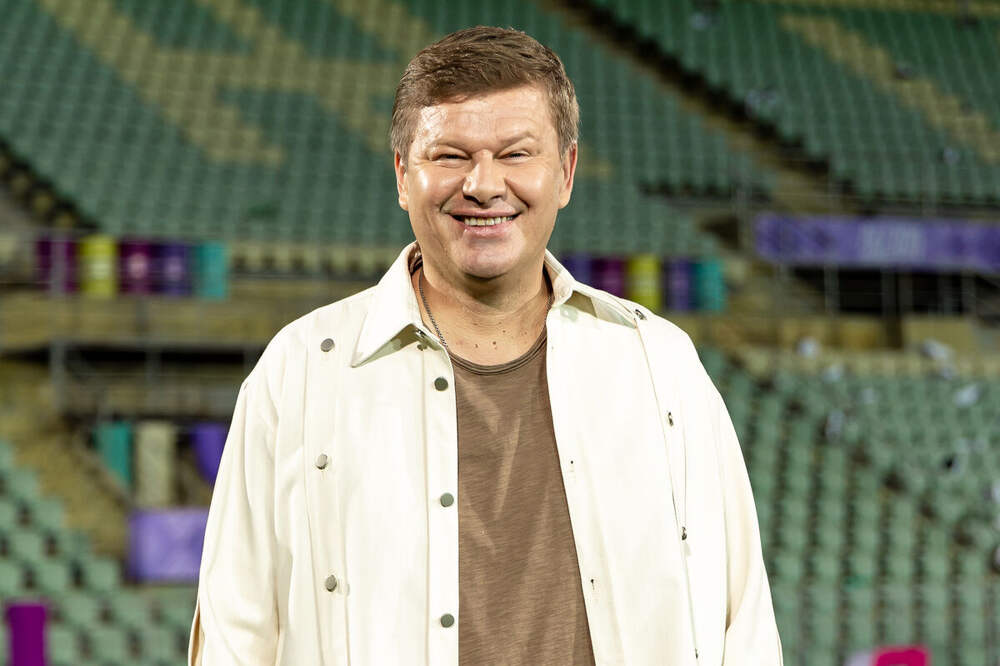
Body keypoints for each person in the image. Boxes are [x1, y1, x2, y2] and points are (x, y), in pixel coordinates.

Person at [188, 26, 782, 666]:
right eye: (449, 156)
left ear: (566, 173)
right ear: (402, 175)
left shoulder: (659, 365)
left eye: (516, 153)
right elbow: (233, 635)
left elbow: (742, 624)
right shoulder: (302, 371)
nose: (483, 184)